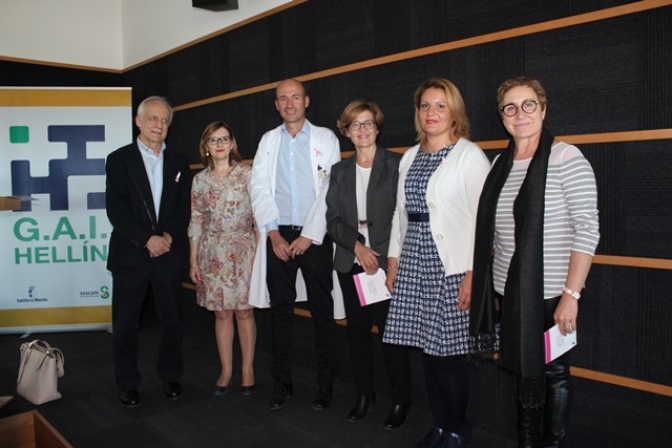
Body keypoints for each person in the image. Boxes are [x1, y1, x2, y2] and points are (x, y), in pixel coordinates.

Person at [470, 76, 600, 448]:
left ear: (543, 109)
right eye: (510, 107)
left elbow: (587, 230)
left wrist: (571, 295)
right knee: (525, 371)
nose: (520, 114)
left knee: (553, 373)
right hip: (509, 291)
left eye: (528, 104)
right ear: (502, 116)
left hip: (553, 292)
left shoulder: (565, 157)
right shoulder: (500, 164)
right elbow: (495, 233)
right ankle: (527, 443)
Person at [383, 77, 490, 447]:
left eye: (440, 106)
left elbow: (484, 219)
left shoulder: (469, 156)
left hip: (453, 265)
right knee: (428, 353)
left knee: (449, 357)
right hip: (414, 261)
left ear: (454, 112)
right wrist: (394, 260)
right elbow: (401, 214)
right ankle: (441, 424)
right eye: (425, 106)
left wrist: (474, 274)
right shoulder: (410, 157)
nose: (432, 113)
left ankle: (459, 428)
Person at [249, 79, 341, 411]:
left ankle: (326, 384)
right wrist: (272, 234)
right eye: (283, 99)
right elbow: (258, 187)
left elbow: (331, 189)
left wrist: (308, 236)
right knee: (281, 314)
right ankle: (281, 384)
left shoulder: (325, 138)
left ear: (306, 101)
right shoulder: (268, 141)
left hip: (314, 237)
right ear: (276, 105)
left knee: (322, 312)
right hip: (277, 236)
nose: (289, 103)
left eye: (295, 97)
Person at [326, 99, 411, 428]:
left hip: (388, 264)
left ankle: (401, 400)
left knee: (392, 337)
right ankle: (365, 394)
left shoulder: (396, 165)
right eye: (355, 124)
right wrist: (357, 246)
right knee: (357, 335)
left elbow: (402, 218)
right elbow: (332, 219)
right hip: (352, 263)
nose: (362, 130)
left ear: (378, 127)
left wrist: (387, 256)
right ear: (346, 131)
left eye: (368, 123)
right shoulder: (339, 171)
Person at [105, 96, 191, 408]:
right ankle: (127, 383)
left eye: (165, 120)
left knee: (172, 320)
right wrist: (147, 239)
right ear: (138, 122)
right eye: (153, 119)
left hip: (169, 252)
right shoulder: (118, 160)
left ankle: (170, 376)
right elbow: (116, 210)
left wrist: (167, 237)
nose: (159, 125)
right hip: (130, 254)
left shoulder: (180, 161)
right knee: (126, 324)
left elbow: (184, 208)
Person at [188, 122, 257, 396]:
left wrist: (261, 256)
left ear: (232, 143)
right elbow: (195, 222)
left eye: (224, 139)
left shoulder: (247, 174)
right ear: (206, 146)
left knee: (244, 311)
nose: (219, 144)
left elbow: (260, 218)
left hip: (244, 251)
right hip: (212, 253)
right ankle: (226, 370)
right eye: (213, 140)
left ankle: (247, 370)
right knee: (221, 313)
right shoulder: (200, 180)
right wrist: (193, 262)